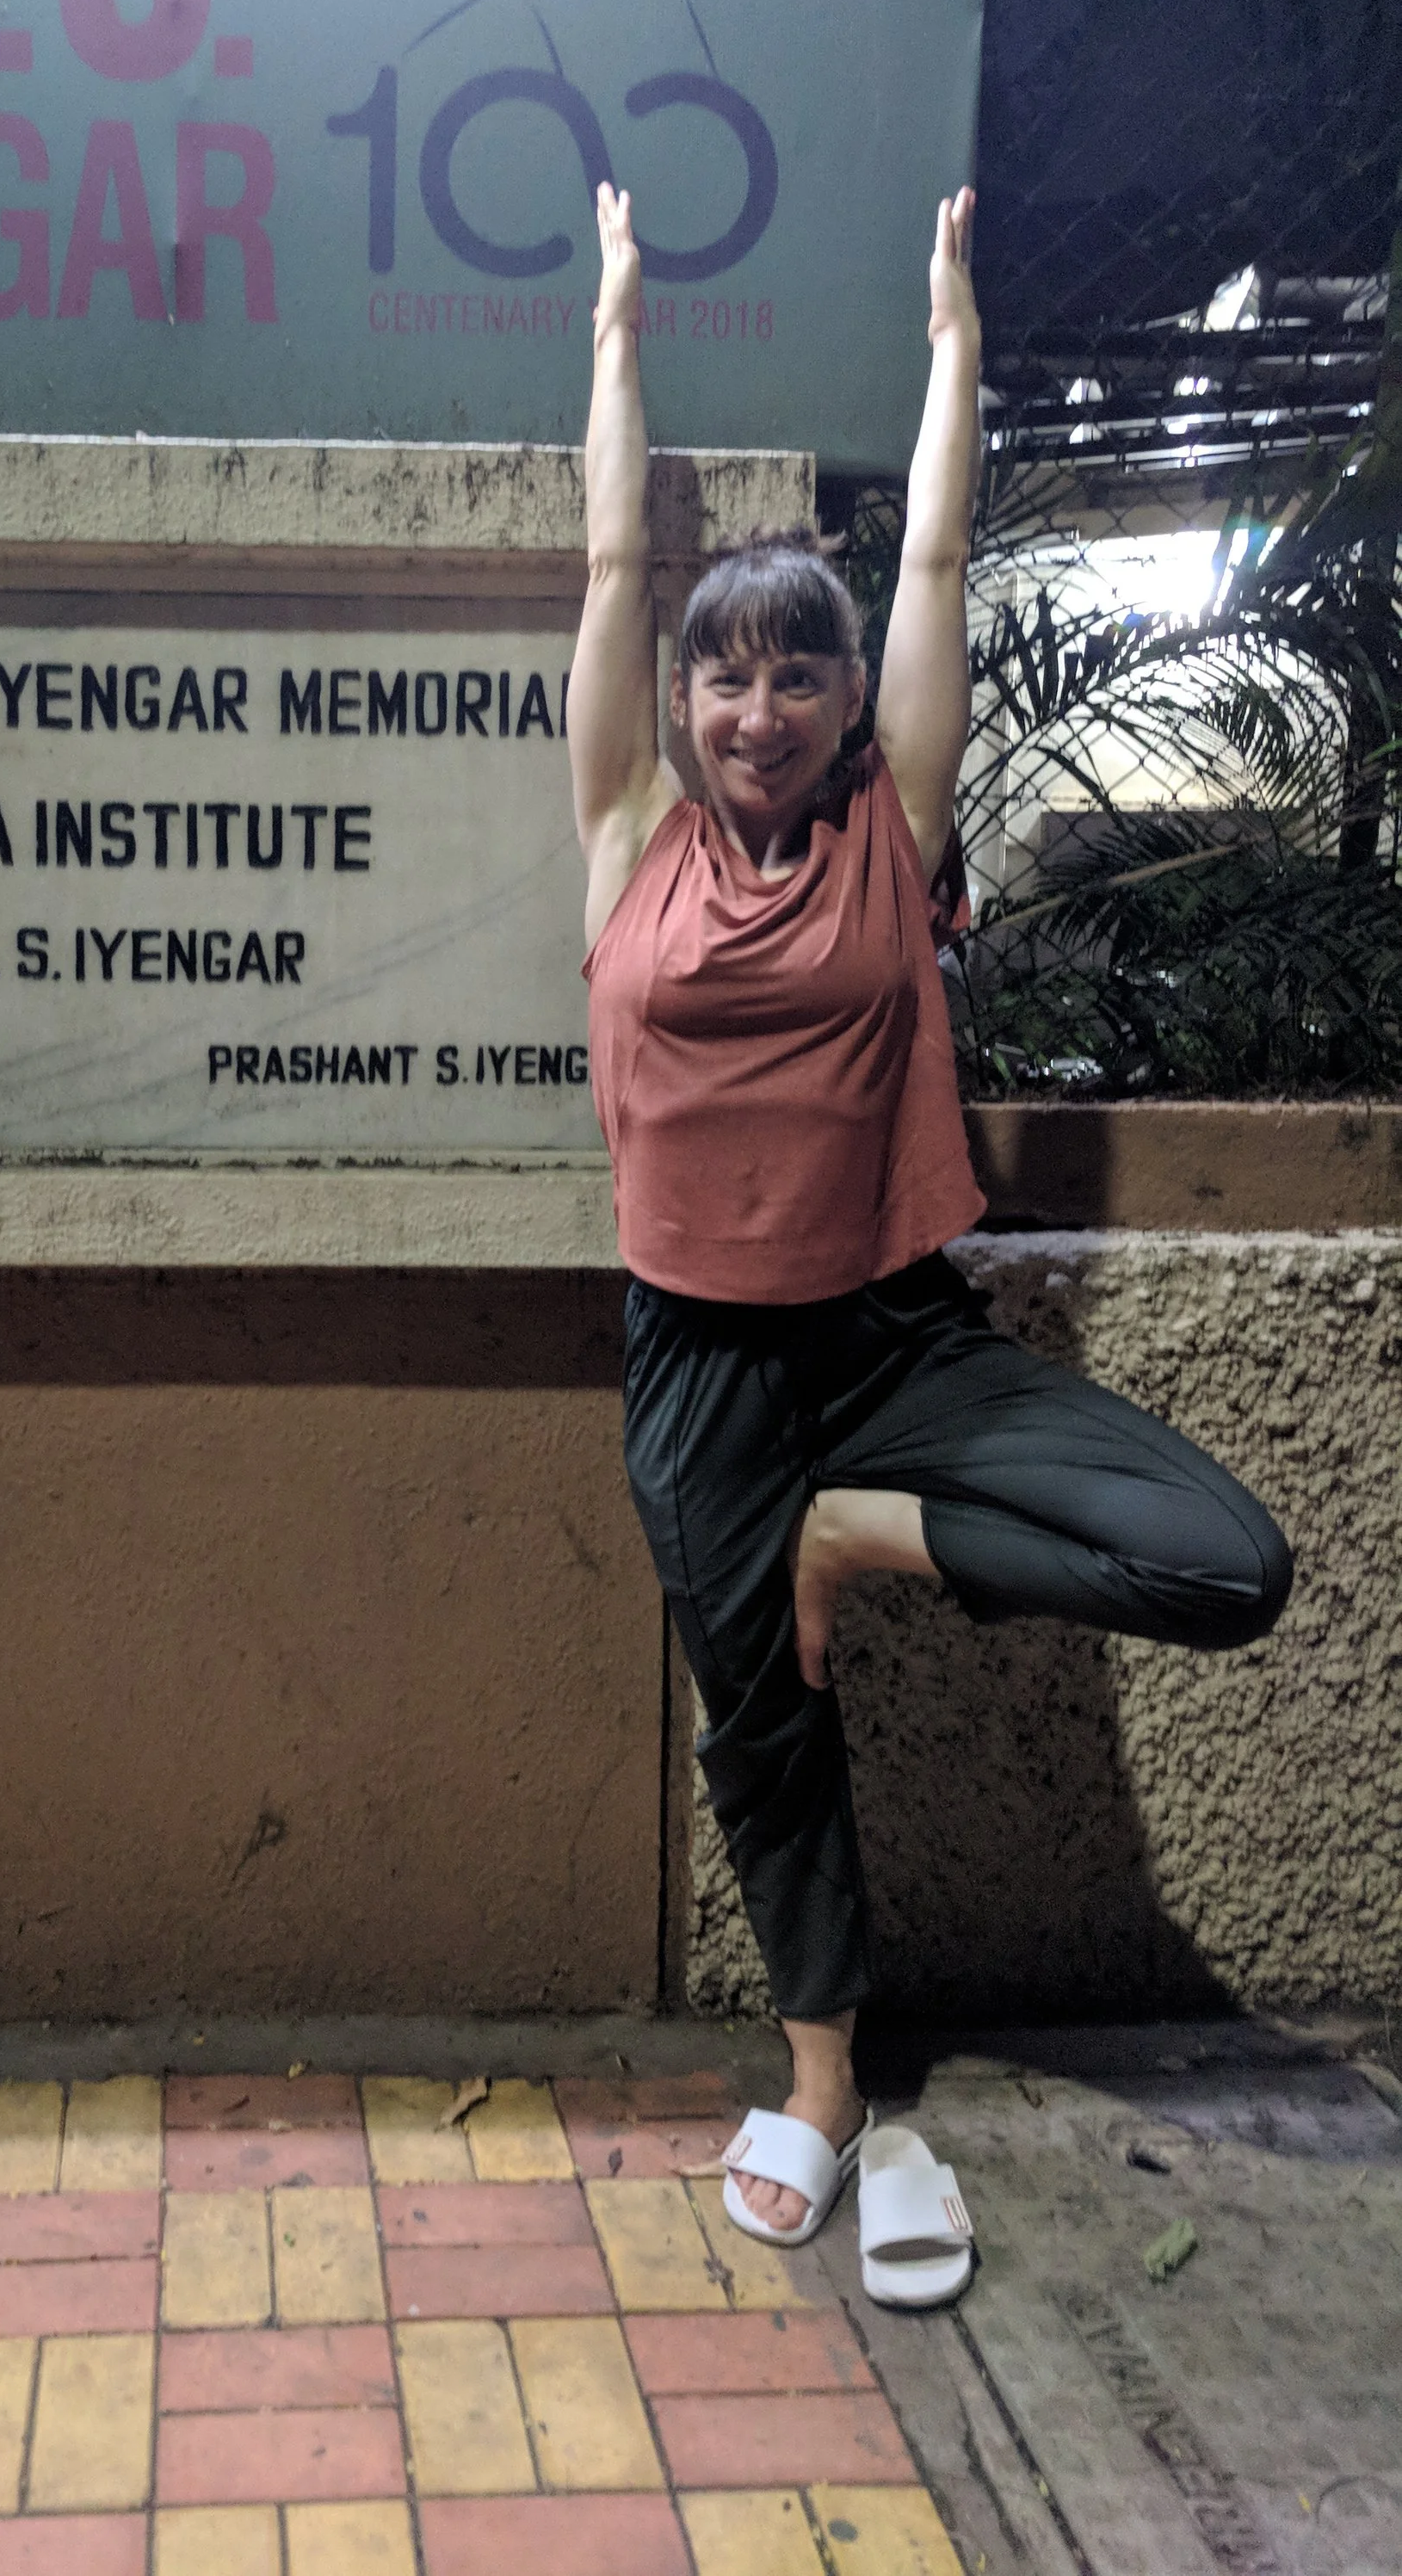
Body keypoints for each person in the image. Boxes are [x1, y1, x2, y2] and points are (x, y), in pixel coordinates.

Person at [568, 181, 1294, 2264]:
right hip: (698, 1365)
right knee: (762, 1736)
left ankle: (848, 1531)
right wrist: (620, 322)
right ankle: (818, 2075)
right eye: (725, 677)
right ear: (682, 708)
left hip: (897, 1341)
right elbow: (616, 554)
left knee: (1223, 1563)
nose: (757, 707)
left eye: (796, 671)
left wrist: (955, 340)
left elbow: (947, 556)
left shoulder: (892, 829)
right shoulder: (622, 836)